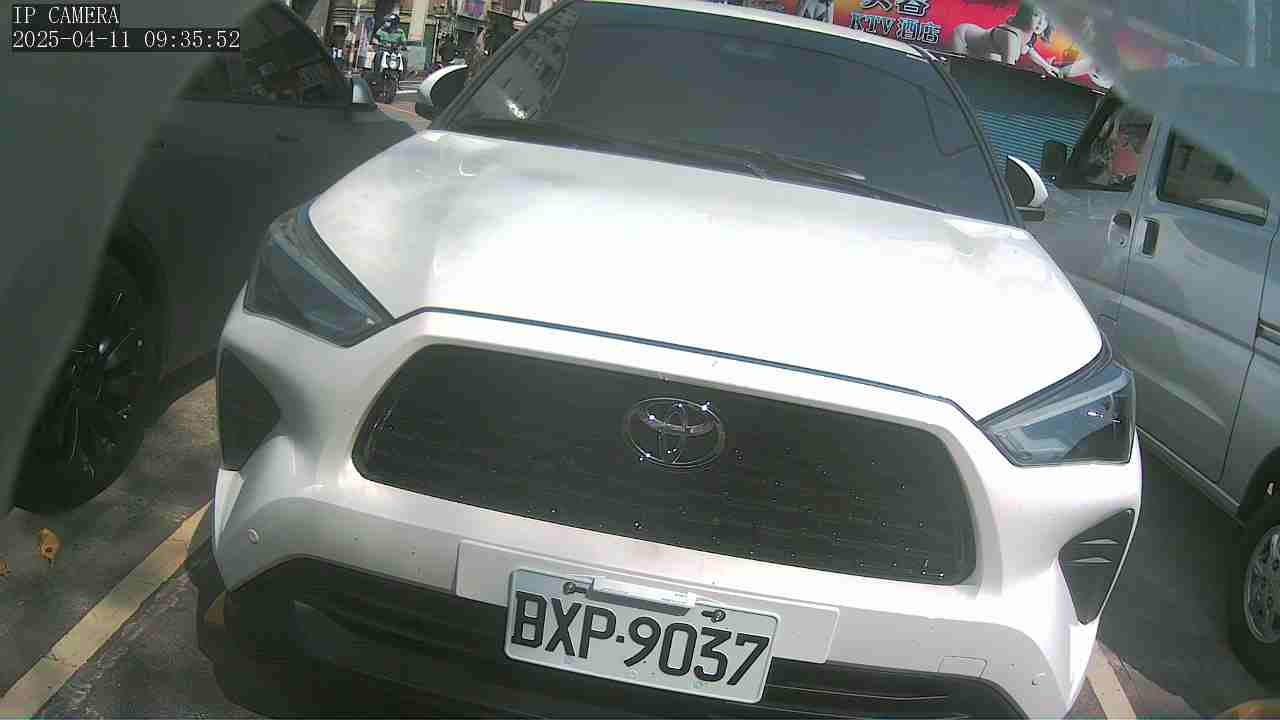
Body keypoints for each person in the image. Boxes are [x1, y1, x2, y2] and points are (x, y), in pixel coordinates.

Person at [950, 2, 1061, 77]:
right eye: (1036, 15)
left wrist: (1047, 66)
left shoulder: (1030, 35)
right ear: (1026, 14)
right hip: (964, 36)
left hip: (988, 49)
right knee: (959, 73)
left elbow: (1028, 50)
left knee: (988, 68)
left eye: (1046, 19)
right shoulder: (1011, 36)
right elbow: (1008, 71)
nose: (1041, 23)